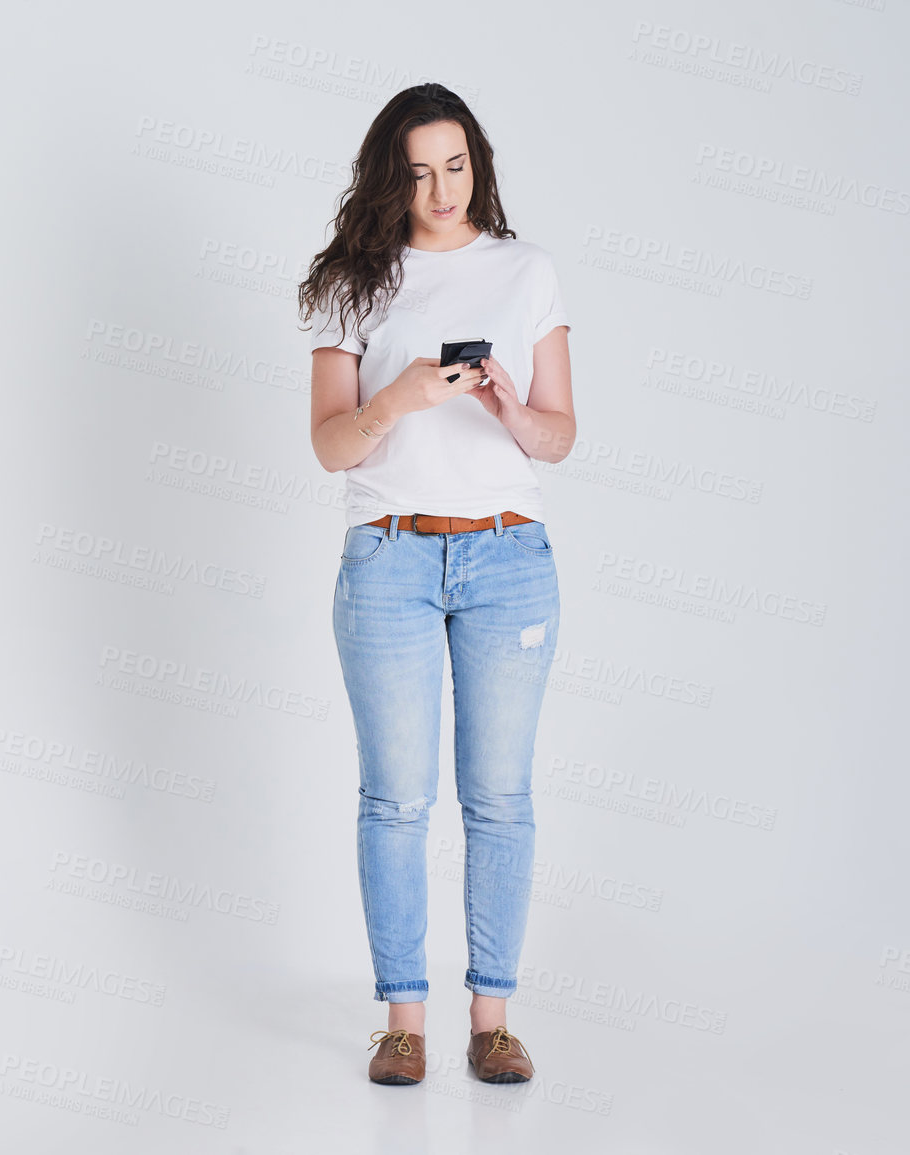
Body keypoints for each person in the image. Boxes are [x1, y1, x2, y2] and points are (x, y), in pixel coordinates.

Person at [297, 82, 576, 1087]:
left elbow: (559, 436)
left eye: (455, 165)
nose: (440, 188)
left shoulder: (526, 272)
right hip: (390, 558)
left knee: (499, 798)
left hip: (508, 558)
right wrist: (404, 398)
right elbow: (331, 445)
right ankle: (402, 1023)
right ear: (391, 177)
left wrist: (506, 404)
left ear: (479, 166)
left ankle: (492, 1021)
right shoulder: (350, 283)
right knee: (397, 798)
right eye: (418, 171)